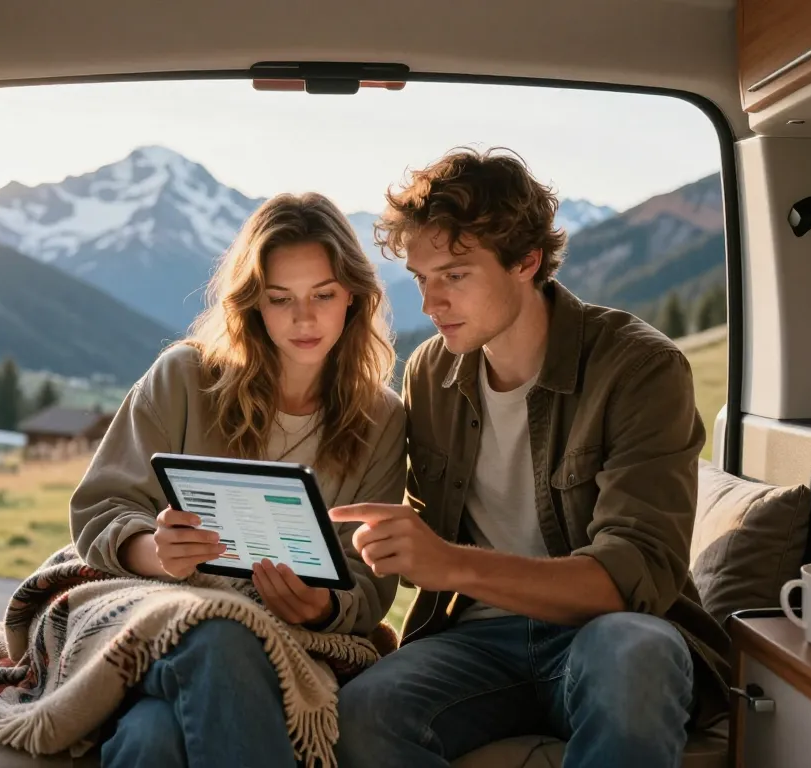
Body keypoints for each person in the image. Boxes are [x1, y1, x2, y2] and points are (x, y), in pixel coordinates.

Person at [329, 147, 732, 768]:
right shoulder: (431, 371)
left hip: (604, 634)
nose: (431, 303)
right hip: (477, 642)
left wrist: (451, 564)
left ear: (526, 260)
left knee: (636, 653)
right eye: (421, 278)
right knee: (362, 713)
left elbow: (631, 575)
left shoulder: (639, 368)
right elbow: (421, 535)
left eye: (456, 274)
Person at [69, 192, 406, 768]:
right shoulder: (183, 377)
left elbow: (369, 583)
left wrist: (321, 607)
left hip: (290, 641)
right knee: (221, 634)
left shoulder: (382, 418)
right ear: (253, 304)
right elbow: (101, 508)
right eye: (281, 300)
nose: (305, 318)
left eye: (323, 295)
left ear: (352, 296)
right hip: (165, 617)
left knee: (152, 738)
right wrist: (156, 551)